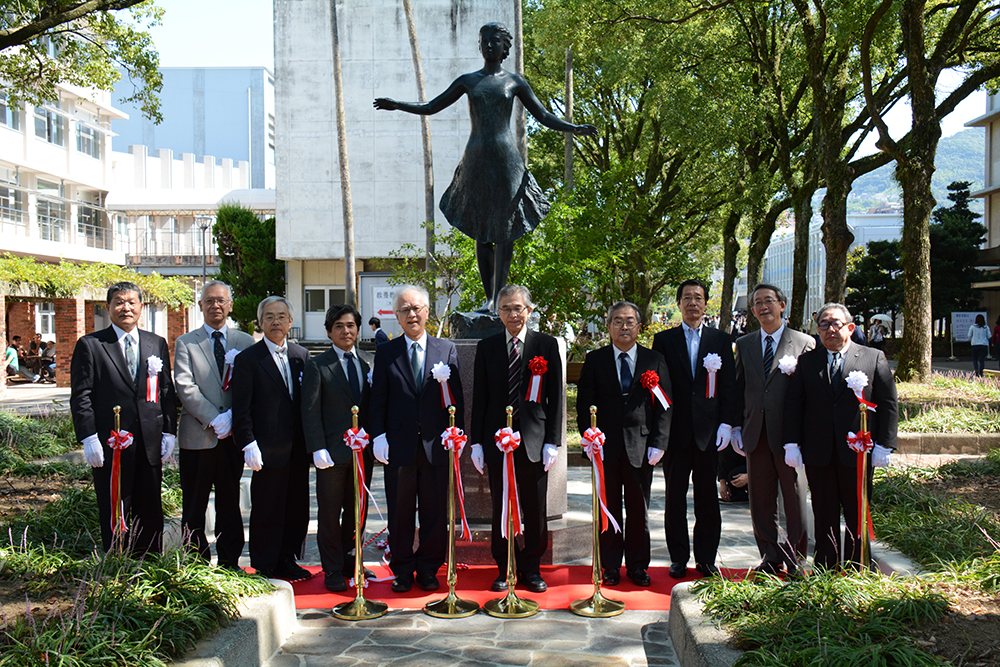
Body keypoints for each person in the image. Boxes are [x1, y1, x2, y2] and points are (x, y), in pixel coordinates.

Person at [375, 23, 597, 312]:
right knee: (481, 230)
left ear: (505, 48)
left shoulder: (515, 82)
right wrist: (399, 105)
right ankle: (489, 299)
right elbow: (432, 106)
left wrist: (574, 127)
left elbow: (542, 115)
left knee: (505, 230)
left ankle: (501, 298)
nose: (490, 45)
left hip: (506, 161)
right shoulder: (468, 81)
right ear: (479, 46)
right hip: (477, 159)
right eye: (485, 41)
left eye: (495, 41)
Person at [784, 303, 898, 569]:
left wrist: (885, 445)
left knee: (857, 512)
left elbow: (888, 403)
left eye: (836, 323)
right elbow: (794, 404)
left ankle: (858, 567)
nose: (830, 329)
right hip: (818, 452)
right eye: (823, 324)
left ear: (850, 327)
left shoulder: (872, 357)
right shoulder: (808, 362)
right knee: (824, 513)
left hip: (858, 452)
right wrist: (792, 443)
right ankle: (827, 566)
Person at [69, 281, 177, 554]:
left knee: (150, 506)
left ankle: (150, 566)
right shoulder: (91, 345)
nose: (125, 308)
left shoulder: (156, 343)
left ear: (141, 307)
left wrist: (169, 431)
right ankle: (117, 565)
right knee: (115, 506)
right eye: (119, 302)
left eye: (131, 302)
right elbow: (81, 394)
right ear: (108, 308)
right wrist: (88, 437)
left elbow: (166, 390)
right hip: (111, 444)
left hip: (150, 442)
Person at [368, 285, 464, 593]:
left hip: (436, 445)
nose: (412, 314)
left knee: (435, 512)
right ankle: (402, 569)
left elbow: (455, 398)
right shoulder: (386, 352)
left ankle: (428, 568)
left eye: (417, 308)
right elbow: (378, 398)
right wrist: (379, 436)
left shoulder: (444, 349)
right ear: (396, 316)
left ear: (427, 312)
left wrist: (455, 432)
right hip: (399, 446)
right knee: (401, 512)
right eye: (405, 310)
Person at [469, 284, 563, 593]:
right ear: (498, 312)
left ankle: (532, 568)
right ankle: (504, 566)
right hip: (498, 442)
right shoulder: (488, 347)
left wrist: (553, 442)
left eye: (518, 307)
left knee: (535, 509)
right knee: (502, 507)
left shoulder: (546, 345)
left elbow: (556, 398)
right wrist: (477, 443)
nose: (513, 313)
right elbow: (480, 398)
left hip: (535, 442)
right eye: (506, 308)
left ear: (529, 311)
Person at [576, 301, 671, 587]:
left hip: (641, 447)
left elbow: (666, 406)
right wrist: (588, 439)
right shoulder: (596, 359)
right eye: (617, 321)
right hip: (605, 447)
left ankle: (638, 566)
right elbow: (584, 405)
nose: (624, 326)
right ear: (608, 326)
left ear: (639, 327)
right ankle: (610, 566)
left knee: (639, 509)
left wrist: (659, 442)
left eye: (630, 321)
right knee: (609, 508)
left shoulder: (654, 360)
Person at [652, 279, 736, 578]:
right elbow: (658, 386)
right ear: (678, 303)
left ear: (705, 303)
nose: (692, 303)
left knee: (707, 500)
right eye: (686, 297)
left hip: (708, 434)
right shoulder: (664, 340)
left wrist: (727, 423)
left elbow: (728, 386)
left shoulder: (721, 340)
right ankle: (678, 557)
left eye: (698, 298)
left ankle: (705, 558)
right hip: (676, 433)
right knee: (674, 499)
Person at [733, 284, 815, 575]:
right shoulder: (744, 344)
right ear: (753, 311)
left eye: (769, 301)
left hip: (790, 436)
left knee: (794, 498)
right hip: (756, 433)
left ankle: (796, 558)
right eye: (758, 303)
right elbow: (739, 388)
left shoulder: (804, 342)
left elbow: (811, 393)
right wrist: (735, 427)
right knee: (761, 499)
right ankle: (769, 555)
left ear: (782, 305)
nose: (763, 307)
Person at [173, 281, 255, 570]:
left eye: (221, 300)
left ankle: (230, 561)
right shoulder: (186, 342)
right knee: (194, 504)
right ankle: (196, 562)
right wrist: (214, 417)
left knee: (230, 502)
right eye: (209, 301)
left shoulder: (245, 342)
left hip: (232, 438)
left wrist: (232, 417)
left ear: (230, 305)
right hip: (198, 437)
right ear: (200, 306)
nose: (215, 306)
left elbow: (250, 387)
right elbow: (185, 386)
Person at [232, 296, 311, 581]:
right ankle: (265, 563)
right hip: (265, 449)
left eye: (281, 316)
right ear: (261, 322)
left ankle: (287, 559)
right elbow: (241, 408)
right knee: (267, 508)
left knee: (295, 506)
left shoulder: (301, 356)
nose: (276, 321)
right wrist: (248, 443)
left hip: (298, 449)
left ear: (291, 322)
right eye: (269, 317)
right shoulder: (248, 360)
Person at [301, 304, 375, 593]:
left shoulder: (367, 362)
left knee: (357, 511)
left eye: (351, 326)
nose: (346, 331)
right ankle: (331, 568)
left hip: (362, 454)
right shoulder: (318, 365)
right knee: (330, 513)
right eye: (340, 327)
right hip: (331, 454)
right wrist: (317, 448)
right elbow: (309, 410)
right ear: (330, 331)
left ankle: (349, 559)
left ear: (358, 329)